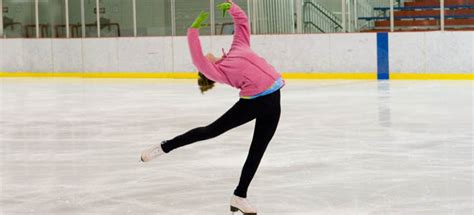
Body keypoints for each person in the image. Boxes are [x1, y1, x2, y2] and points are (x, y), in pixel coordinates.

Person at [140, 1, 284, 214]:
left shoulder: (239, 46)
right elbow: (198, 58)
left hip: (274, 100)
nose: (206, 55)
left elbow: (242, 24)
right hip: (254, 102)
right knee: (210, 131)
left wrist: (233, 8)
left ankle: (239, 196)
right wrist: (193, 31)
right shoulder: (218, 71)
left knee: (257, 151)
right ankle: (165, 146)